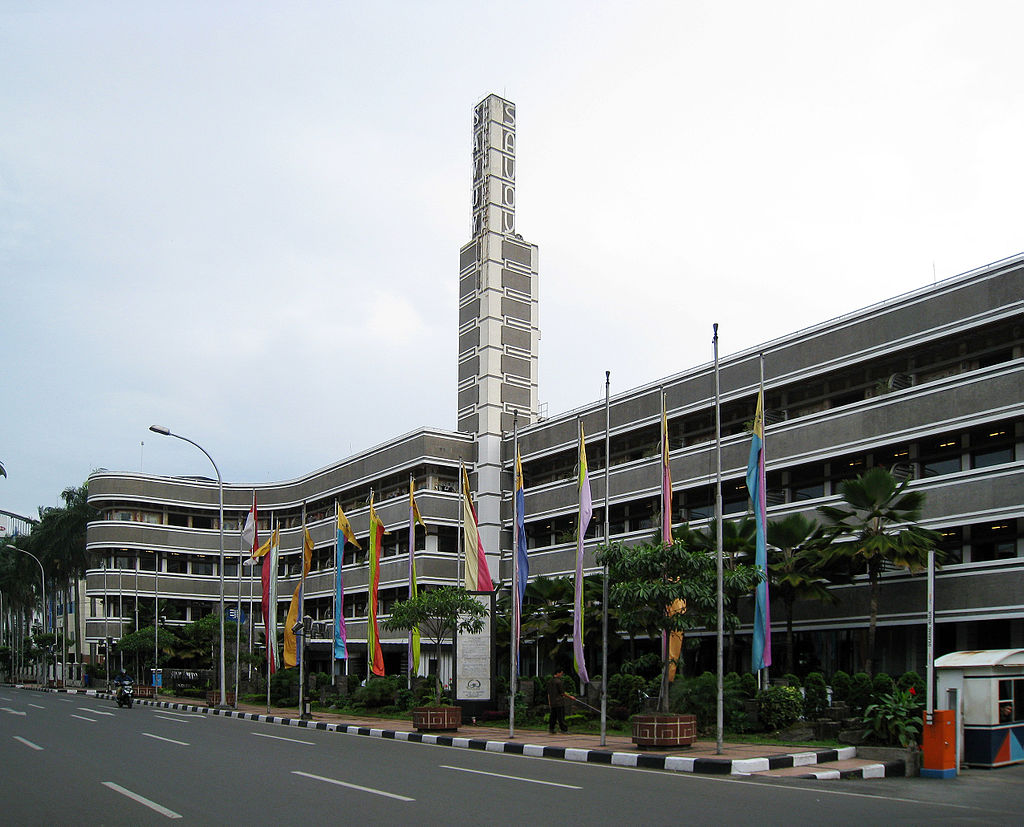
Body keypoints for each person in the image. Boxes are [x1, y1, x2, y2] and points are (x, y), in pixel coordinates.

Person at [547, 668, 574, 734]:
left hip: (553, 702)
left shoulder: (550, 681)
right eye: (561, 673)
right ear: (558, 673)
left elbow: (548, 693)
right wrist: (571, 697)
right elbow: (562, 693)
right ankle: (564, 730)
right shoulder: (558, 682)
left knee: (553, 716)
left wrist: (549, 702)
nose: (561, 675)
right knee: (561, 717)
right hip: (559, 702)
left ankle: (551, 729)